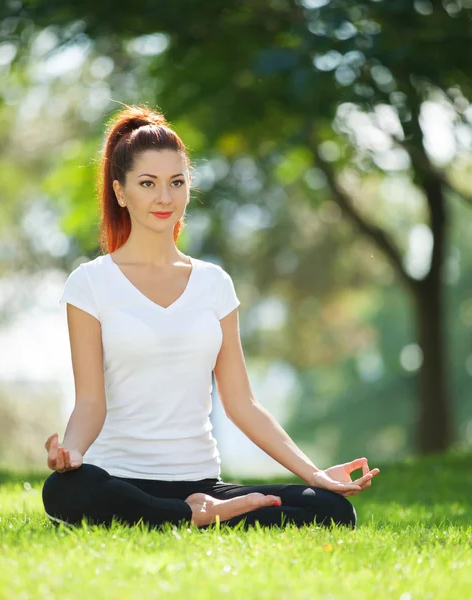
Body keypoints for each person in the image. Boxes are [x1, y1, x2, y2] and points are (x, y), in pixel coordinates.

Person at [42, 103, 379, 530]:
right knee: (64, 490)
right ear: (120, 192)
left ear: (188, 187)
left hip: (202, 481)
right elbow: (91, 402)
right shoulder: (90, 283)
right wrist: (70, 453)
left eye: (176, 183)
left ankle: (194, 514)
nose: (164, 198)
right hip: (118, 480)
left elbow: (243, 403)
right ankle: (194, 517)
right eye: (148, 183)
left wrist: (313, 474)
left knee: (333, 510)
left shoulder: (214, 283)